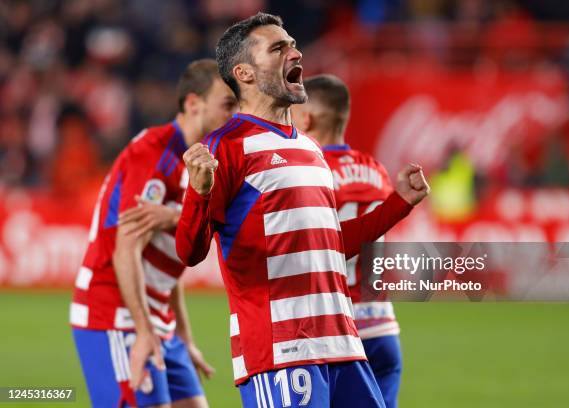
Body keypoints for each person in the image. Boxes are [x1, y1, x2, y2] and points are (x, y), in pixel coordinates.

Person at [176, 13, 430, 408]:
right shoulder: (225, 147)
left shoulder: (310, 149)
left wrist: (398, 204)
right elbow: (189, 252)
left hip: (343, 344)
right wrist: (199, 192)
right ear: (243, 72)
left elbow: (330, 246)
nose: (295, 52)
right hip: (282, 350)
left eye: (293, 44)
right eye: (278, 48)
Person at [70, 59, 238, 408]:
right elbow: (125, 249)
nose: (234, 114)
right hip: (116, 315)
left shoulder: (198, 161)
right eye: (227, 104)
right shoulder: (154, 153)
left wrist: (183, 335)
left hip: (158, 318)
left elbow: (169, 258)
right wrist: (144, 332)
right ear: (193, 103)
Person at [292, 74, 403, 408]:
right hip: (382, 325)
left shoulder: (309, 171)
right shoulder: (376, 170)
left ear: (307, 118)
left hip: (334, 330)